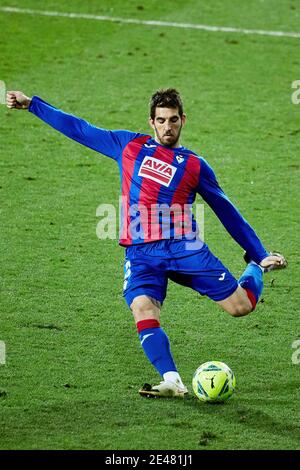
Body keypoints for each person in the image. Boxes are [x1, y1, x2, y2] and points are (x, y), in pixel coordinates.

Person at [6, 88, 287, 398]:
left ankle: (255, 269)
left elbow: (226, 211)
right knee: (142, 307)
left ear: (183, 120)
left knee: (241, 307)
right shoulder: (129, 145)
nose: (168, 127)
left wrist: (258, 255)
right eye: (162, 120)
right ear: (151, 121)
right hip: (142, 253)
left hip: (184, 248)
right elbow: (80, 129)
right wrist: (33, 105)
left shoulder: (194, 165)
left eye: (174, 120)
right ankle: (171, 380)